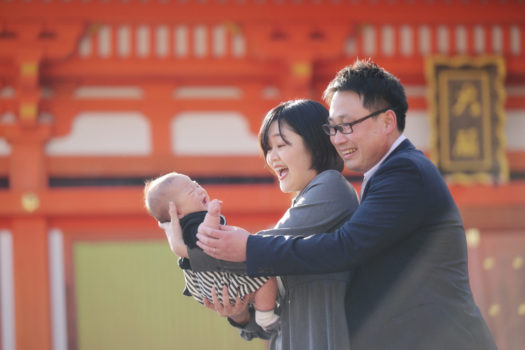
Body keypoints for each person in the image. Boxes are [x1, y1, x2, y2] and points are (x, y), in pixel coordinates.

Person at [196, 60, 497, 350]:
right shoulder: (381, 177)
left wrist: (247, 248)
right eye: (333, 128)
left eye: (347, 125)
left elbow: (346, 247)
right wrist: (243, 312)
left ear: (387, 121)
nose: (338, 139)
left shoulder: (403, 172)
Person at [175, 99, 359, 350]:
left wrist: (192, 247)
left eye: (281, 145)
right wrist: (239, 314)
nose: (272, 158)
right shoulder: (303, 201)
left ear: (316, 144)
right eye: (268, 149)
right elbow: (268, 323)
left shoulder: (331, 186)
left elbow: (257, 248)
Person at [144, 172, 279, 331]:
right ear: (177, 212)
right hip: (221, 282)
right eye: (191, 191)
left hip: (213, 286)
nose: (200, 189)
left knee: (258, 283)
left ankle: (263, 311)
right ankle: (265, 314)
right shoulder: (194, 222)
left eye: (196, 184)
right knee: (266, 277)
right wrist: (213, 215)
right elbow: (206, 234)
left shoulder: (183, 228)